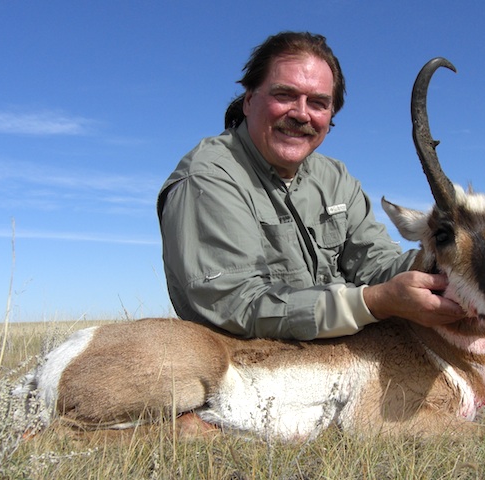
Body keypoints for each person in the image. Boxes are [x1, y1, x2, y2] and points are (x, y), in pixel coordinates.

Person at [157, 31, 464, 340]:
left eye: (318, 103)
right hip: (239, 365)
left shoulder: (335, 178)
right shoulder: (208, 178)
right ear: (249, 100)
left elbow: (376, 263)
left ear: (330, 117)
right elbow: (236, 302)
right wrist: (375, 302)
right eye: (285, 95)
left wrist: (448, 260)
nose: (301, 113)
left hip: (330, 353)